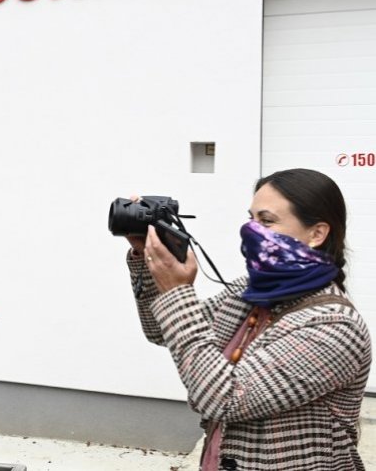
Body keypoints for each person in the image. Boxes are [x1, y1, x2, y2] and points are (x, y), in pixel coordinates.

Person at [126, 168, 371, 470]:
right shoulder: (250, 293)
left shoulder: (334, 327)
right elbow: (162, 330)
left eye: (266, 221)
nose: (251, 230)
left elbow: (224, 399)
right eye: (251, 218)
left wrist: (176, 291)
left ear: (317, 234)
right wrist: (147, 258)